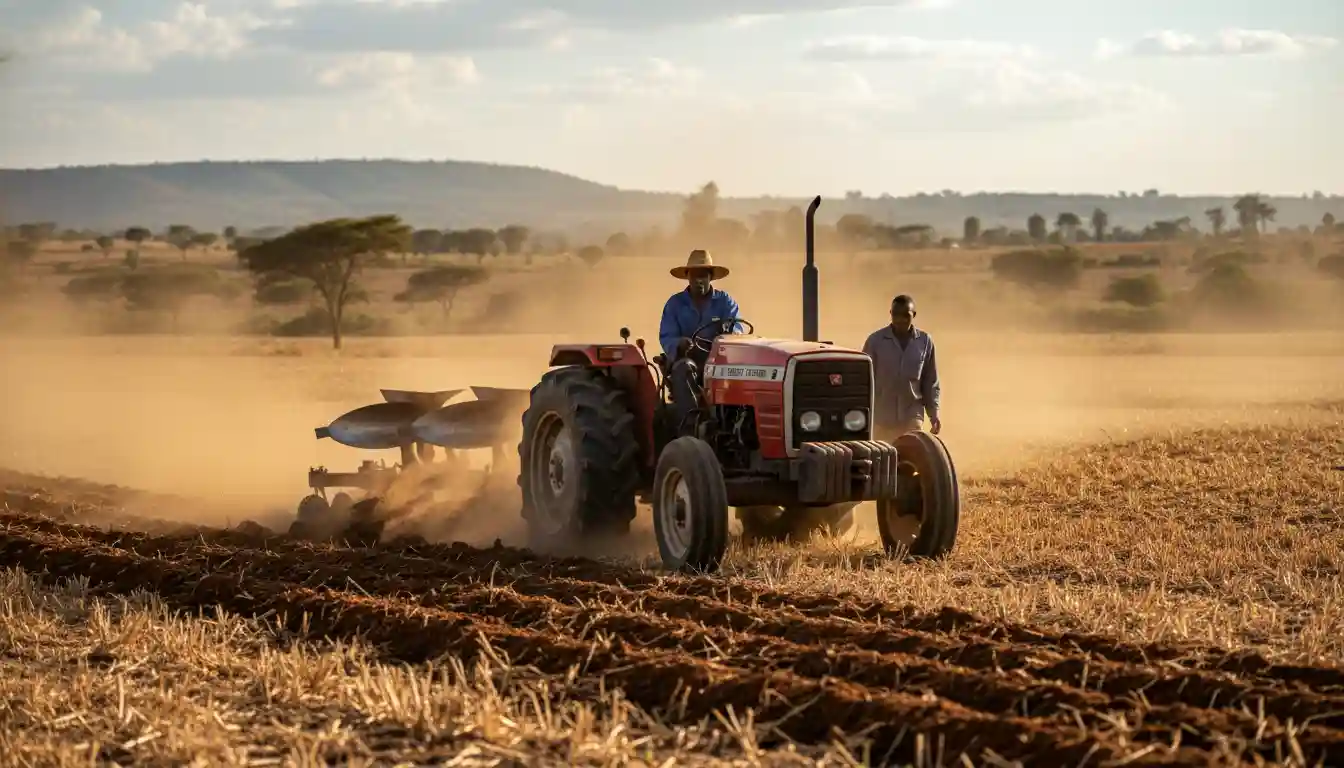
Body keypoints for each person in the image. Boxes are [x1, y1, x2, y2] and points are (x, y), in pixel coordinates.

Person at [658, 249, 743, 434]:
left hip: (719, 360)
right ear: (687, 277)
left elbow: (738, 329)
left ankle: (736, 425)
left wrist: (727, 335)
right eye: (695, 275)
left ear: (710, 277)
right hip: (687, 359)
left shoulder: (725, 302)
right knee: (684, 368)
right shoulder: (675, 304)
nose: (699, 280)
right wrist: (679, 343)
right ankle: (690, 427)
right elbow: (667, 336)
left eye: (703, 275)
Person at [861, 294, 941, 439]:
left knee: (912, 453)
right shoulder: (876, 341)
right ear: (890, 314)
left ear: (914, 315)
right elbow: (863, 379)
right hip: (882, 416)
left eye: (905, 315)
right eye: (896, 315)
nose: (900, 320)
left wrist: (933, 415)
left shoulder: (924, 342)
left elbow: (930, 381)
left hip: (912, 413)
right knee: (883, 455)